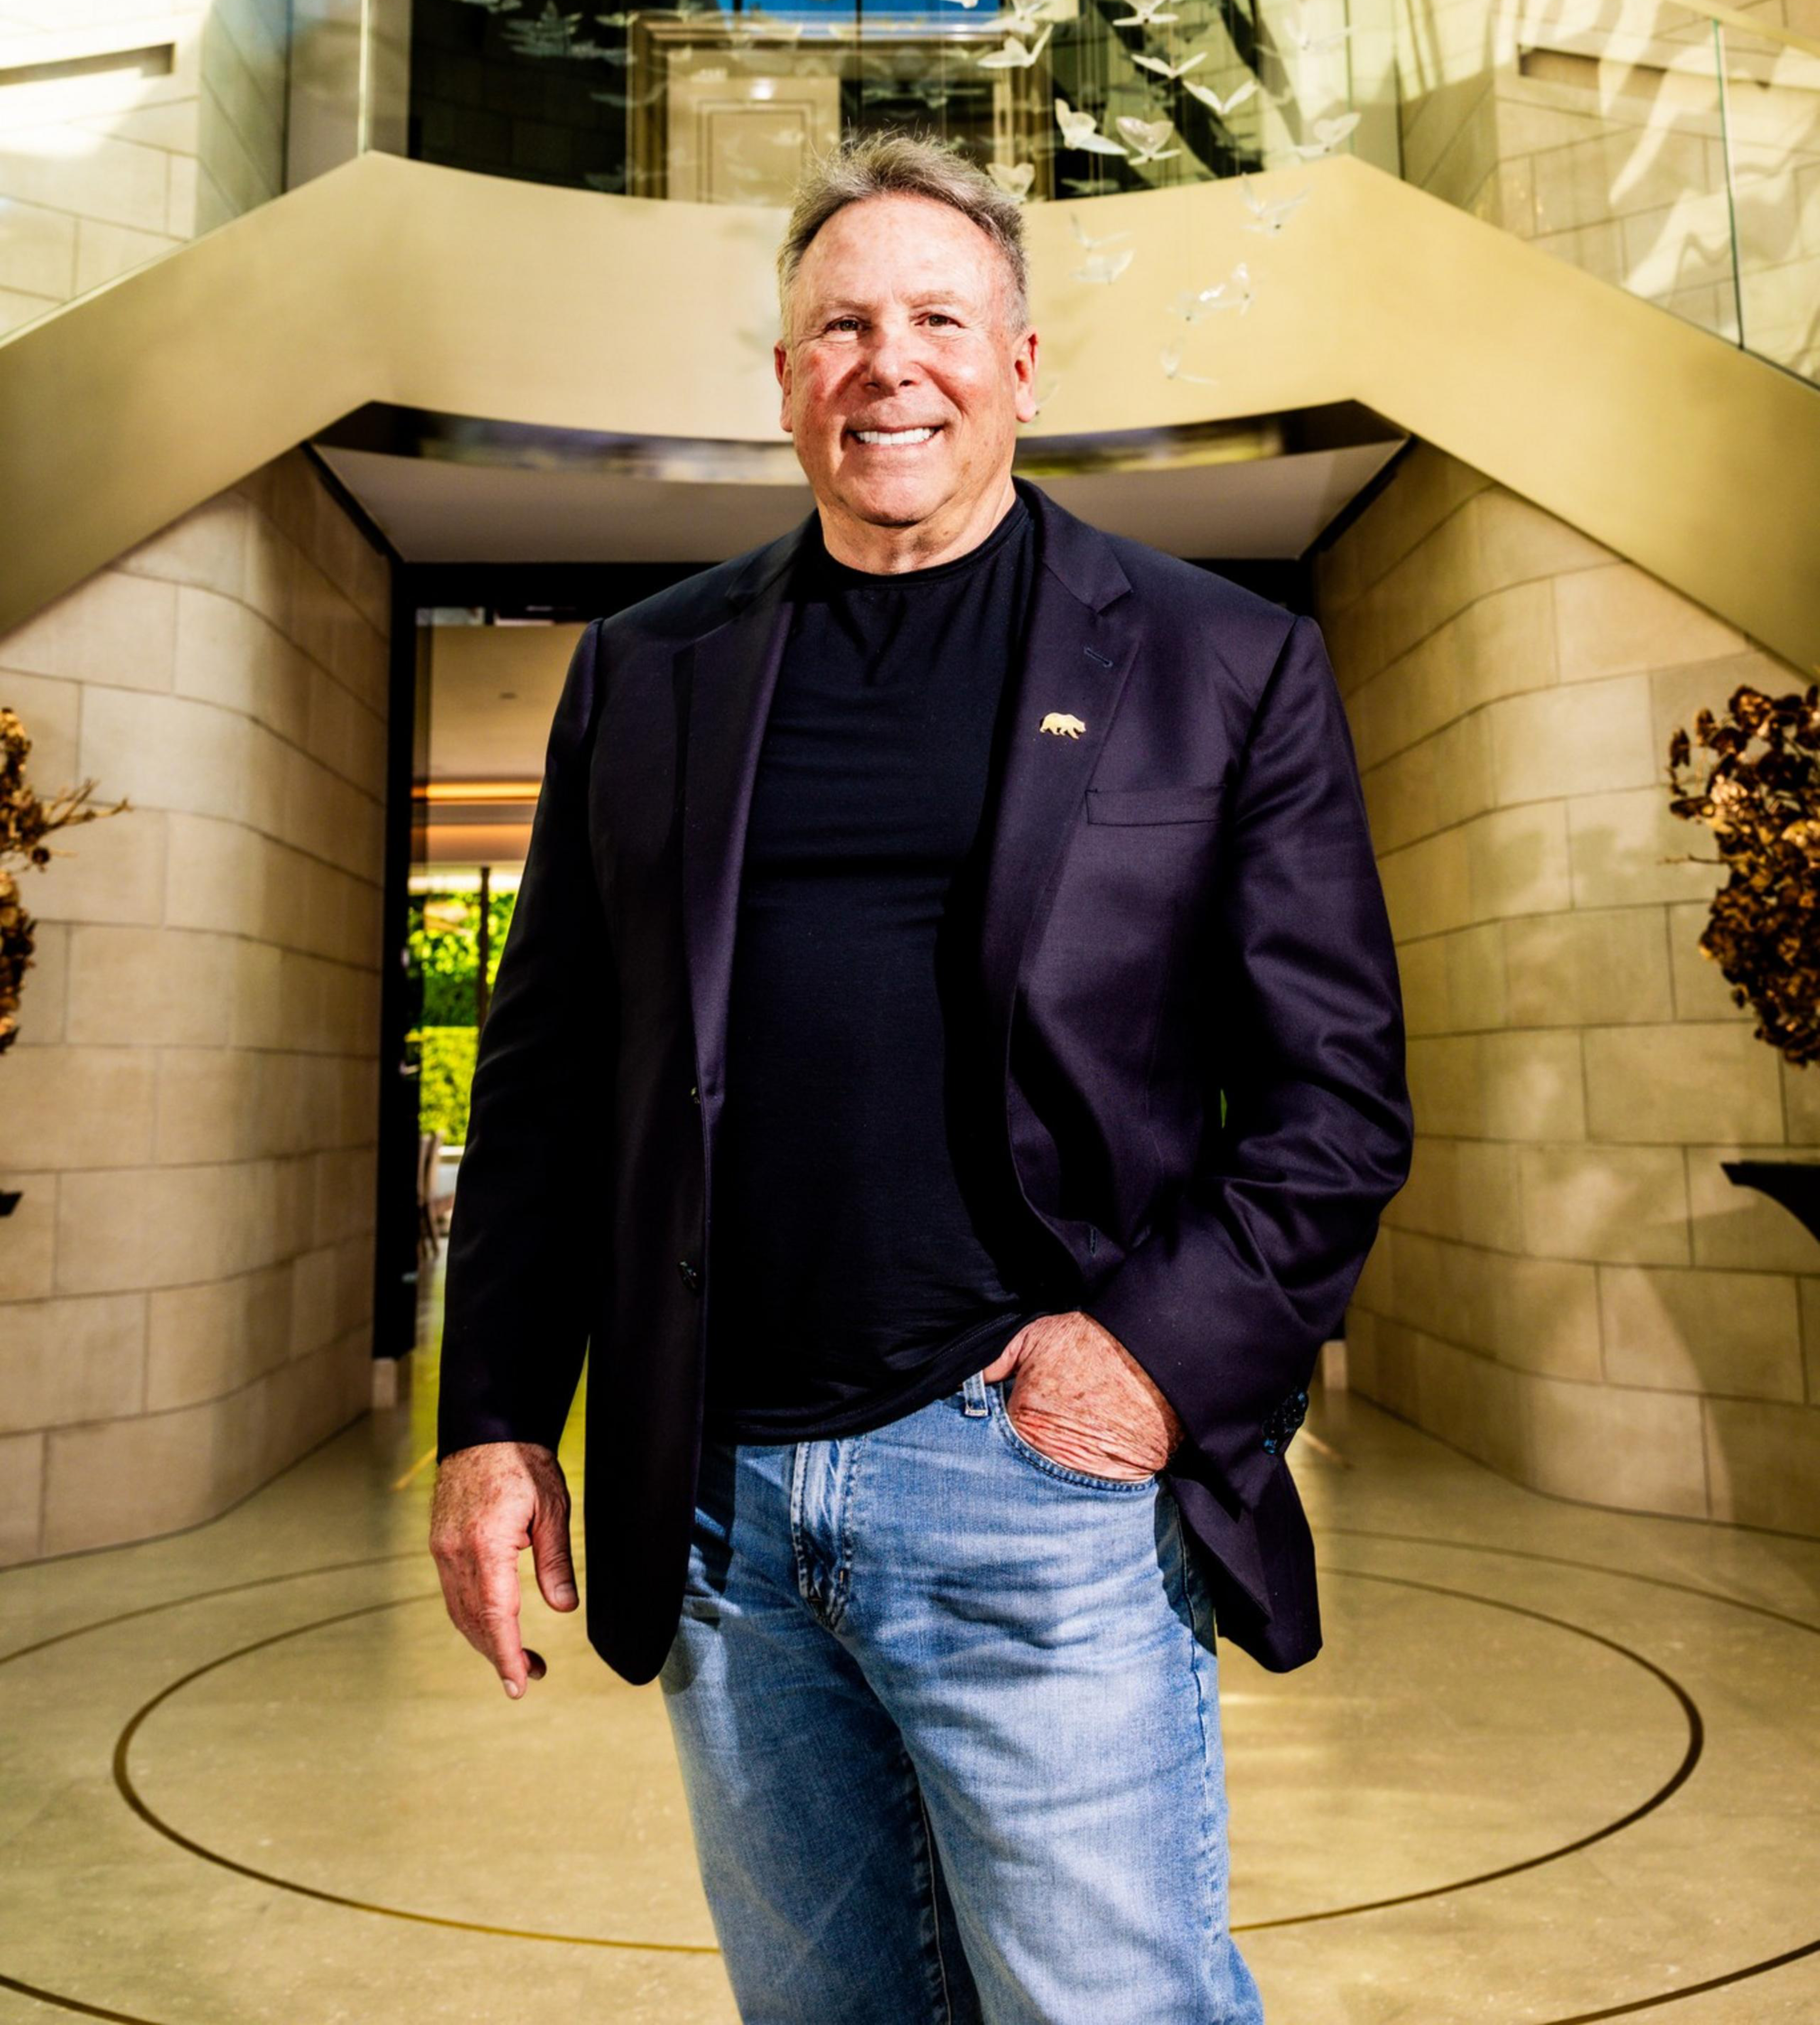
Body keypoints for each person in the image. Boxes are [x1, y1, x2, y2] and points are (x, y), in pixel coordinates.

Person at [430, 131, 1412, 2025]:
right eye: (843, 323)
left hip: (1031, 1491)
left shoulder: (1223, 664)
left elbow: (1337, 1090)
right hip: (716, 1506)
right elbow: (548, 1077)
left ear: (1024, 365)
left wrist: (1148, 1351)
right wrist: (491, 1418)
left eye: (941, 317)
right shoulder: (653, 670)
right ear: (790, 375)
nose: (895, 362)